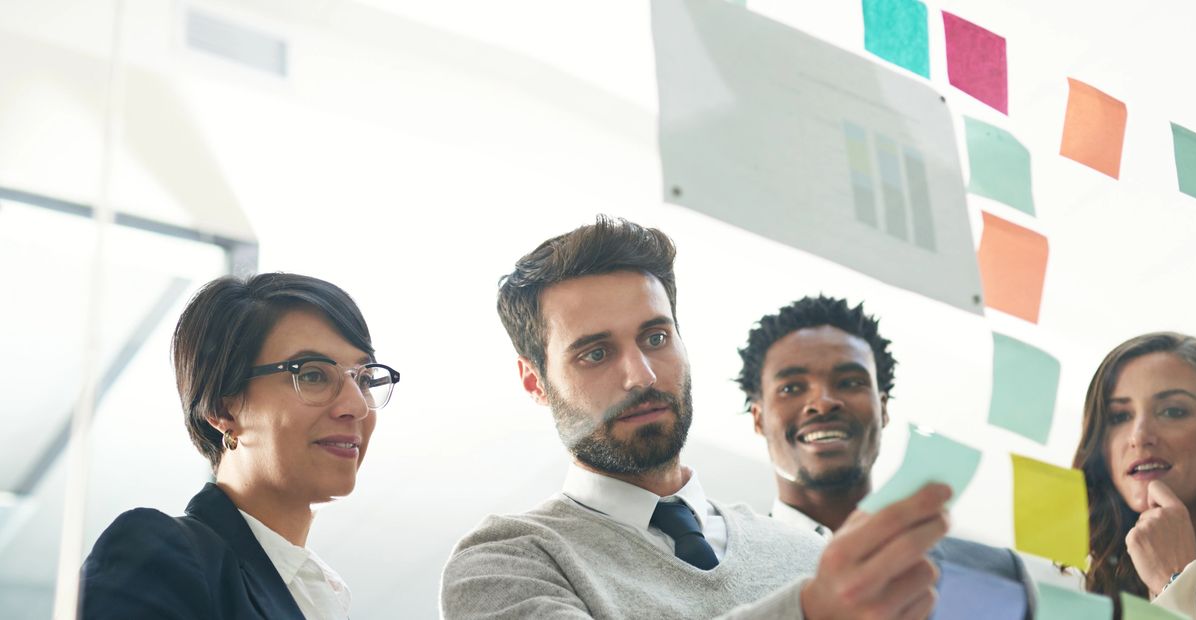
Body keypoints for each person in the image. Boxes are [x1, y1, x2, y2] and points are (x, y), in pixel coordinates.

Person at [441, 216, 952, 619]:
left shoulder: (808, 555)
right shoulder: (506, 562)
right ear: (535, 382)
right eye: (596, 354)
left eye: (656, 338)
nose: (640, 376)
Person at [80, 273, 400, 619]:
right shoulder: (161, 554)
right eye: (312, 375)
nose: (356, 406)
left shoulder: (317, 594)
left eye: (364, 379)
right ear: (221, 407)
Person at [737, 295, 1036, 617]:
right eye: (792, 388)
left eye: (850, 382)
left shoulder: (997, 575)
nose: (822, 403)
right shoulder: (717, 570)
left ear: (883, 408)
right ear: (758, 418)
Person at [1073, 332, 1196, 619]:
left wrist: (1176, 579)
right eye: (1119, 417)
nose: (1139, 436)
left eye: (1173, 411)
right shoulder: (1089, 585)